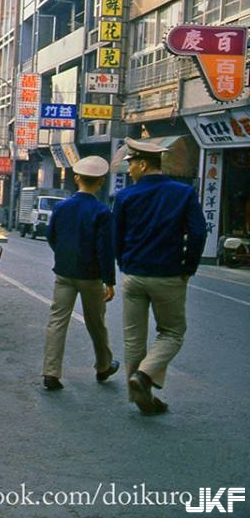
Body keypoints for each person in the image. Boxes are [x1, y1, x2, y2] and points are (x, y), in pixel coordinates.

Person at [112, 138, 207, 415]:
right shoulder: (183, 193)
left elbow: (116, 238)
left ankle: (141, 392)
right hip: (168, 275)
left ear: (143, 164)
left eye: (131, 164)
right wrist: (188, 268)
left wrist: (124, 264)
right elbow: (199, 233)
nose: (129, 170)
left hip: (134, 275)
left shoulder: (125, 197)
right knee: (172, 333)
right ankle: (144, 377)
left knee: (133, 339)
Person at [41, 156, 120, 391]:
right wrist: (110, 281)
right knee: (96, 323)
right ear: (101, 182)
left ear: (76, 179)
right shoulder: (102, 212)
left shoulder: (62, 207)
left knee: (57, 322)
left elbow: (51, 237)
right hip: (91, 275)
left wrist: (63, 256)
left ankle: (50, 372)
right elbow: (106, 250)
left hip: (64, 273)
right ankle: (103, 365)